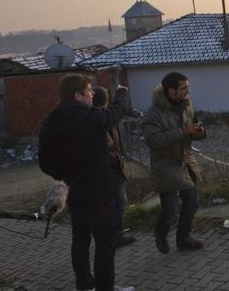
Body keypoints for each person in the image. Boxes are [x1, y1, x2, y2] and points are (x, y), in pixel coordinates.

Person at [38, 74, 134, 291]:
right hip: (100, 193)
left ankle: (83, 283)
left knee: (80, 239)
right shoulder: (90, 117)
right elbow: (116, 112)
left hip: (75, 192)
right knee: (105, 244)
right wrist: (121, 92)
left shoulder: (49, 122)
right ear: (78, 95)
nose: (92, 94)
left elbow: (44, 163)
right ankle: (105, 287)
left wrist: (67, 175)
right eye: (89, 90)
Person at [141, 71, 206, 254]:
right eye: (183, 88)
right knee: (170, 208)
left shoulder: (186, 104)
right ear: (171, 91)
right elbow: (153, 140)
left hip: (185, 161)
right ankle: (160, 234)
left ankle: (183, 238)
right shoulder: (154, 113)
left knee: (192, 202)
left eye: (187, 87)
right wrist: (182, 132)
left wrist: (199, 132)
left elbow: (191, 126)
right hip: (165, 165)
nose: (188, 91)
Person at [92, 87, 136, 248]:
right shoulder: (98, 120)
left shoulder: (102, 118)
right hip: (107, 171)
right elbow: (108, 145)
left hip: (113, 168)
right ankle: (112, 237)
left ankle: (114, 235)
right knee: (115, 203)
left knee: (118, 202)